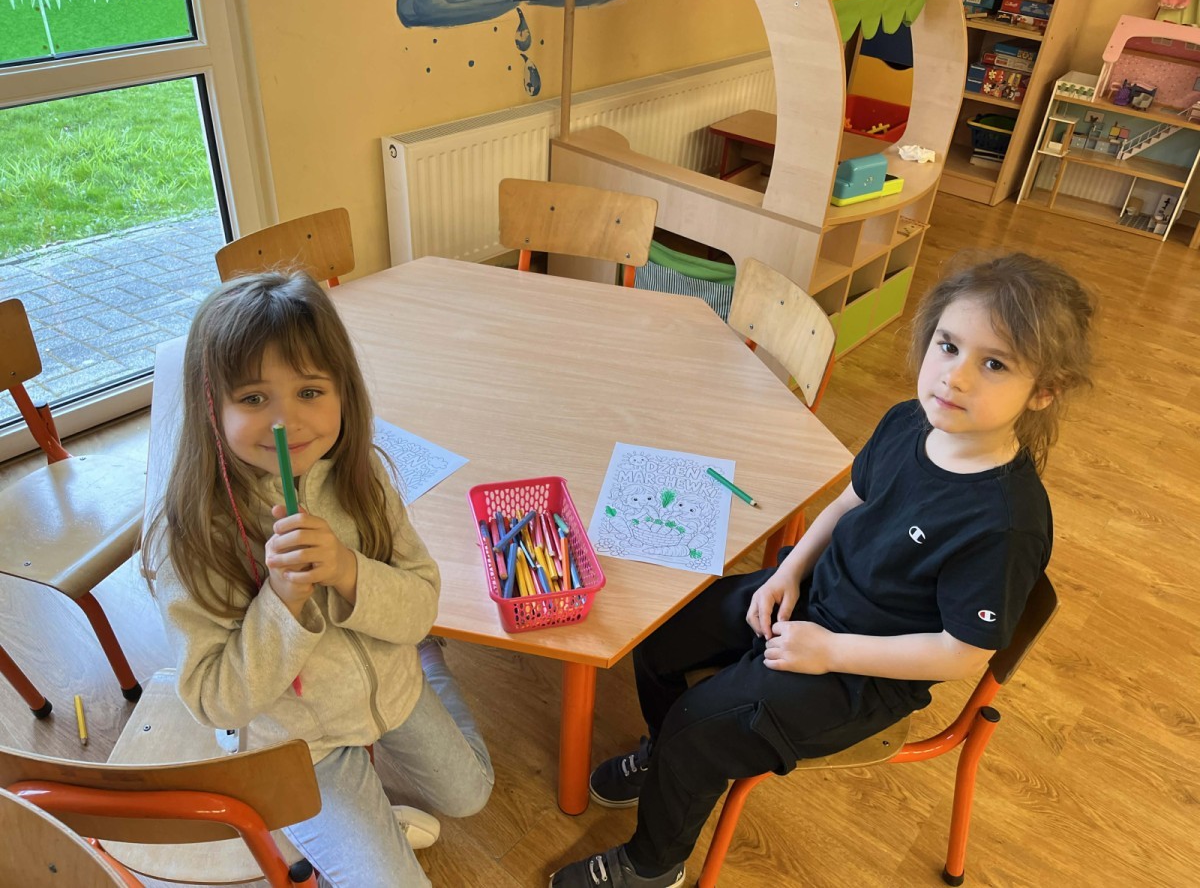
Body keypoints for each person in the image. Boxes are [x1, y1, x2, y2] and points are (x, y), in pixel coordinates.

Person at [549, 252, 1095, 888]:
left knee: (701, 729)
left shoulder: (1005, 523)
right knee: (660, 634)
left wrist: (831, 650)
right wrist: (787, 573)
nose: (956, 377)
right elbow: (848, 501)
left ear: (1045, 390)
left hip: (865, 672)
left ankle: (652, 865)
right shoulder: (908, 420)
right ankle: (665, 754)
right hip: (811, 600)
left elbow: (961, 653)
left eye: (994, 364)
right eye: (948, 346)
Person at [145, 271, 493, 888]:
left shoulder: (362, 477)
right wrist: (281, 603)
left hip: (392, 688)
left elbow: (419, 606)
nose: (286, 422)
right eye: (254, 398)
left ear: (343, 391)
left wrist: (349, 570)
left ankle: (431, 666)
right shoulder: (194, 537)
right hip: (302, 746)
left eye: (309, 391)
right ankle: (363, 822)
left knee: (472, 795)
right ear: (210, 407)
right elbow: (215, 700)